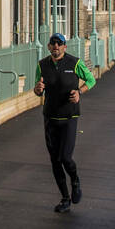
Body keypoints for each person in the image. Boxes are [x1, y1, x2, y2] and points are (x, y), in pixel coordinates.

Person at [34, 33, 96, 213]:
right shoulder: (42, 65)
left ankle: (75, 181)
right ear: (48, 47)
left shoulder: (75, 63)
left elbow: (91, 80)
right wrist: (37, 90)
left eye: (59, 44)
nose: (56, 46)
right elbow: (38, 88)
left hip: (69, 117)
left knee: (65, 158)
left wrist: (80, 92)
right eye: (53, 44)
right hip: (50, 117)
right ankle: (65, 198)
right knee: (54, 160)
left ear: (64, 47)